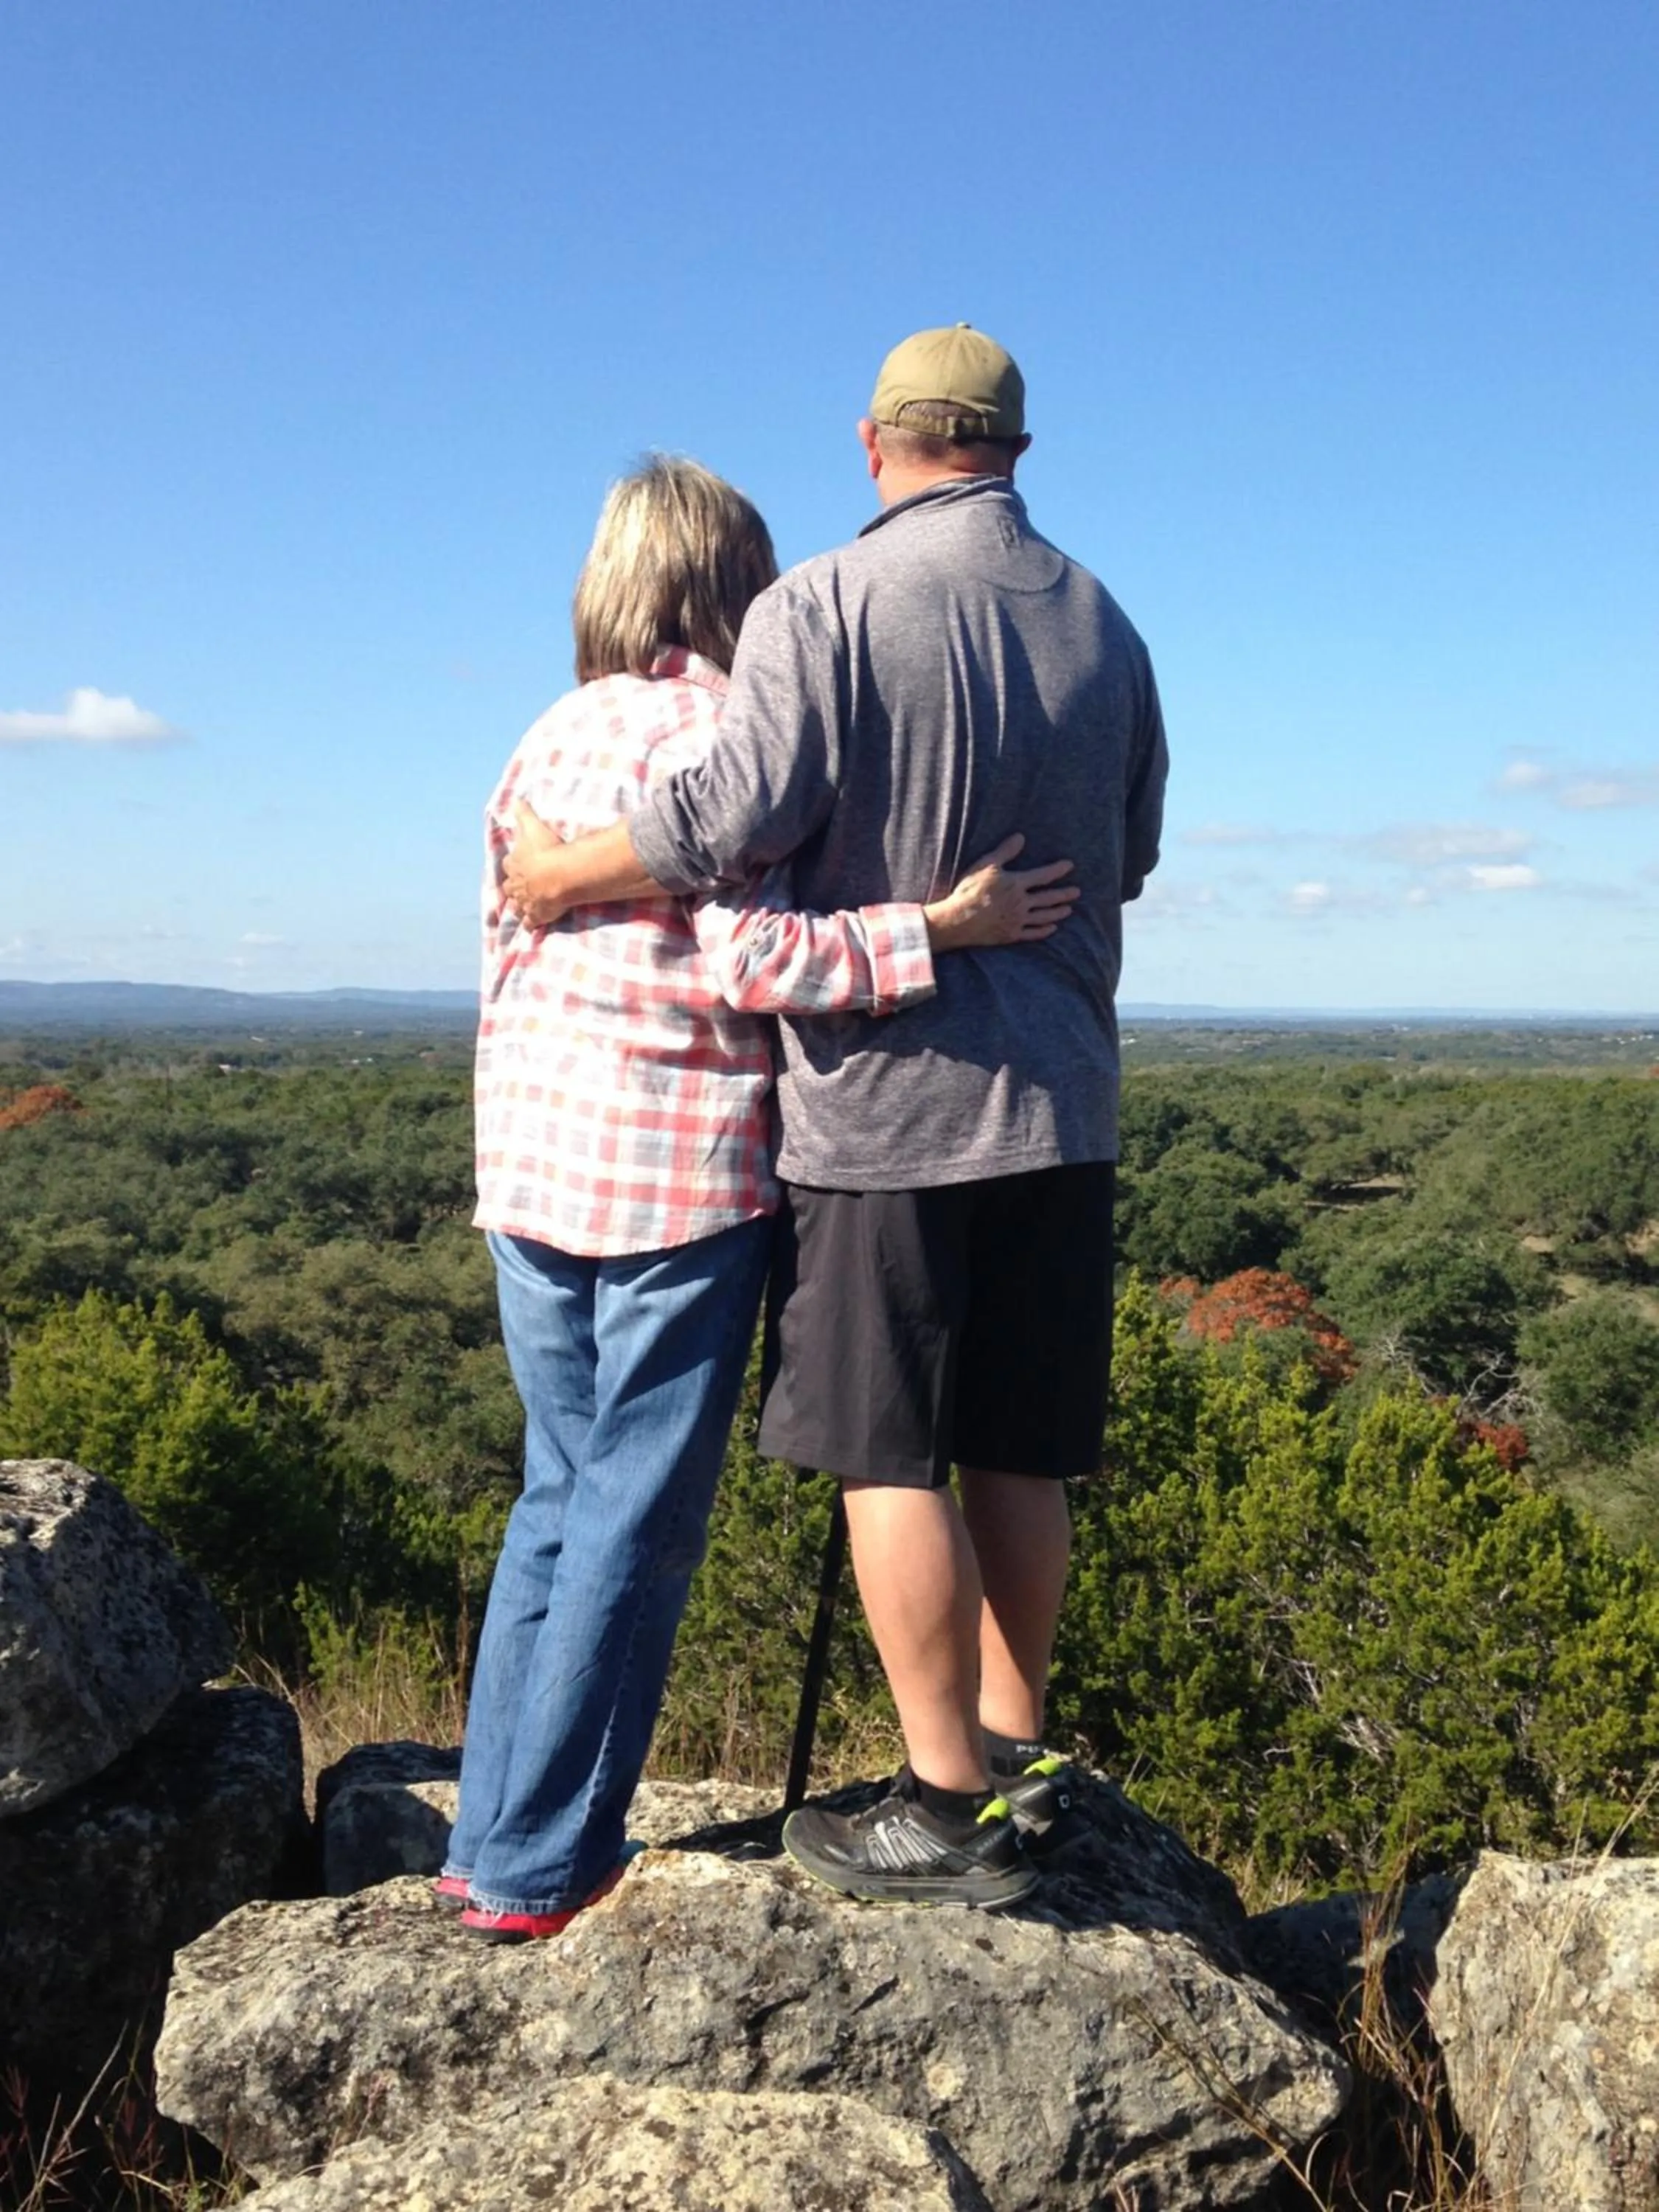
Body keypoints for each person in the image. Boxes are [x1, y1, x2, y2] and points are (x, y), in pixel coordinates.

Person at [504, 331, 1167, 1910]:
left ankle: (943, 1805)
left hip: (889, 1105)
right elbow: (1130, 852)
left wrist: (566, 870)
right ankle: (1013, 1751)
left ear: (877, 445)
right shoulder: (1107, 623)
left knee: (890, 1455)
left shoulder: (828, 602)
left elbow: (729, 817)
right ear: (1015, 444)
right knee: (1022, 1443)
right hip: (1063, 1097)